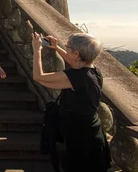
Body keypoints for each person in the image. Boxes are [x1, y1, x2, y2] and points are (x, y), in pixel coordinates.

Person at [32, 32, 111, 172]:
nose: (66, 48)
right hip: (93, 131)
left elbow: (39, 77)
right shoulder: (94, 71)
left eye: (67, 47)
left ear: (76, 54)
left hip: (81, 137)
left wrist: (37, 49)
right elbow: (73, 61)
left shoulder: (75, 78)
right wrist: (57, 48)